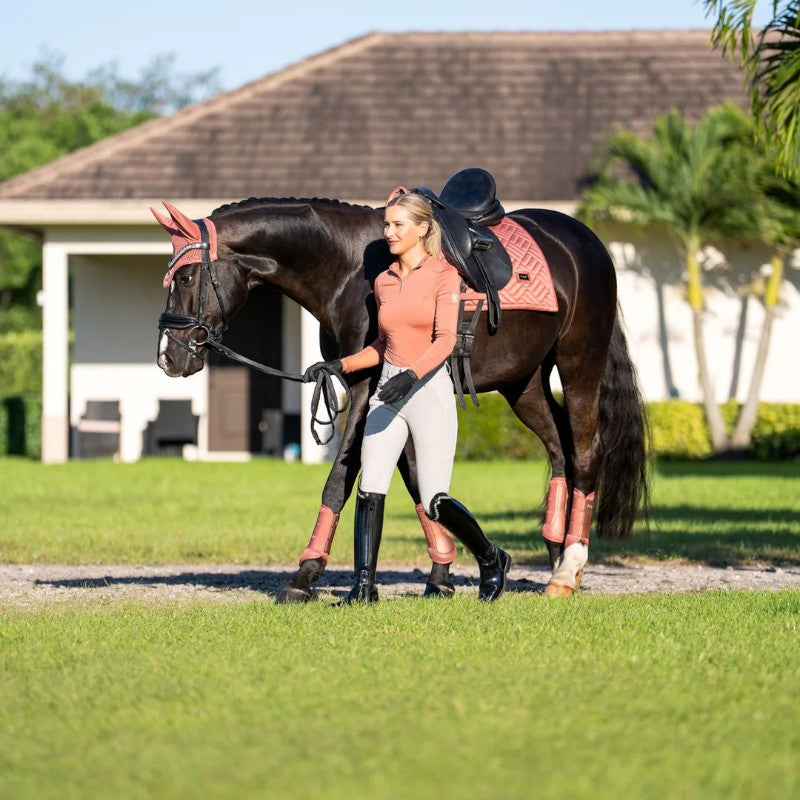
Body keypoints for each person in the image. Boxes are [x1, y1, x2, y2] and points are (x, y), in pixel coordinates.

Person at [304, 188, 511, 603]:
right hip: (389, 390)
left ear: (422, 228)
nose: (389, 232)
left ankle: (491, 558)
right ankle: (364, 587)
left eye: (398, 224)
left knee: (434, 500)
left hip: (428, 390)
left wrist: (412, 375)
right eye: (386, 224)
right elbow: (383, 344)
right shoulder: (384, 281)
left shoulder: (444, 275)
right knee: (371, 487)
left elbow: (446, 340)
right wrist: (339, 365)